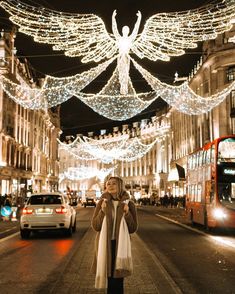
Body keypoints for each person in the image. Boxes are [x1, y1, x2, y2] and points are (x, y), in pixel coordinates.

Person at [91, 176, 138, 294]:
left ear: (120, 186)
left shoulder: (129, 204)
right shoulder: (102, 203)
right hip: (105, 245)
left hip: (120, 245)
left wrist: (127, 213)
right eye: (108, 184)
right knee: (109, 277)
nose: (110, 186)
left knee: (118, 279)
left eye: (114, 183)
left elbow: (132, 228)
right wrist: (102, 211)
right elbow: (96, 226)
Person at [112, 10, 141, 95]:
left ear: (128, 31)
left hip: (126, 58)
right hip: (120, 57)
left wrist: (139, 18)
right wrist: (113, 18)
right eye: (124, 30)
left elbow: (135, 30)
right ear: (122, 31)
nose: (125, 31)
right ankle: (122, 88)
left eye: (126, 30)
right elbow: (114, 30)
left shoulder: (130, 39)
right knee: (121, 73)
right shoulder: (119, 38)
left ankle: (125, 89)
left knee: (126, 73)